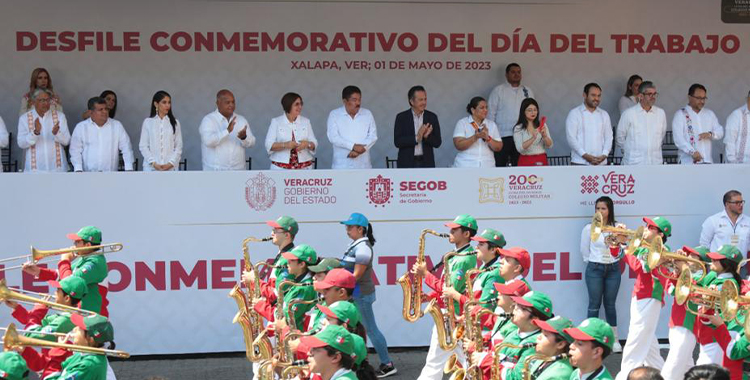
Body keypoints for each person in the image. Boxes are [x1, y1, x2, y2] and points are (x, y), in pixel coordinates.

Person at [412, 214, 478, 380]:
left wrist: (425, 274)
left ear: (466, 234)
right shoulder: (455, 255)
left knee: (465, 360)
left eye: (455, 230)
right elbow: (445, 286)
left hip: (456, 316)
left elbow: (451, 290)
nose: (450, 232)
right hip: (448, 315)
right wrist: (429, 296)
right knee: (438, 360)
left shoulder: (465, 259)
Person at [338, 213, 396, 377]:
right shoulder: (357, 244)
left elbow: (355, 275)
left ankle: (387, 364)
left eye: (350, 227)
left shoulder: (363, 248)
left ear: (360, 229)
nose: (347, 230)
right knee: (362, 330)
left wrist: (338, 282)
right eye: (346, 226)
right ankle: (360, 363)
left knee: (370, 330)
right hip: (357, 294)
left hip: (360, 295)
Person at [617, 217, 672, 380]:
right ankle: (664, 375)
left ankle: (625, 375)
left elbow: (640, 267)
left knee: (636, 338)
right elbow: (623, 257)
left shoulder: (662, 248)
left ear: (660, 234)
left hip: (650, 295)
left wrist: (623, 245)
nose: (645, 228)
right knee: (648, 343)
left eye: (650, 227)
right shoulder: (644, 245)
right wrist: (619, 244)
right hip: (640, 294)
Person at [5, 276, 87, 379]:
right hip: (50, 366)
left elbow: (32, 334)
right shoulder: (64, 316)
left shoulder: (67, 320)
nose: (54, 293)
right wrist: (16, 307)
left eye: (58, 291)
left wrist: (39, 309)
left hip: (59, 373)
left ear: (67, 298)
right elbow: (33, 322)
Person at [22, 226, 110, 317]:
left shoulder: (95, 263)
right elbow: (61, 274)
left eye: (77, 242)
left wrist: (65, 259)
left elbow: (69, 283)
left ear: (87, 245)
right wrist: (38, 272)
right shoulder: (85, 258)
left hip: (93, 318)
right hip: (82, 315)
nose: (74, 244)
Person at [580, 196, 624, 352]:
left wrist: (619, 239)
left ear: (609, 210)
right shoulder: (588, 228)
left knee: (610, 305)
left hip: (613, 269)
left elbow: (622, 251)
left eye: (603, 208)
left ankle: (615, 340)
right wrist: (595, 261)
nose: (600, 211)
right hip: (595, 269)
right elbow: (584, 250)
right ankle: (590, 338)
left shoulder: (618, 227)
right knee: (594, 304)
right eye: (597, 208)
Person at [661, 246, 713, 380]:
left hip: (687, 324)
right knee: (686, 367)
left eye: (692, 256)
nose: (687, 257)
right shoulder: (687, 273)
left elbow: (691, 293)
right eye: (688, 254)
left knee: (673, 365)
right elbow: (671, 289)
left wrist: (683, 268)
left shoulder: (703, 278)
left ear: (700, 262)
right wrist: (678, 269)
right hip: (676, 322)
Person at [487, 63, 535, 167]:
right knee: (500, 165)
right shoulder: (498, 90)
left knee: (519, 166)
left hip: (522, 136)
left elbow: (533, 113)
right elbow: (490, 114)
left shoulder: (527, 91)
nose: (516, 74)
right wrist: (492, 136)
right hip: (502, 136)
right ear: (506, 74)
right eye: (513, 72)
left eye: (518, 72)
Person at [70, 97, 135, 172]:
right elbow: (75, 150)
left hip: (111, 175)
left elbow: (126, 148)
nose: (105, 112)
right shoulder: (81, 127)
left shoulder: (117, 126)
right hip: (87, 175)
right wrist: (78, 169)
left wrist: (129, 168)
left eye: (106, 109)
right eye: (100, 110)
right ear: (91, 113)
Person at [45, 314, 115, 380]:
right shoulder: (83, 353)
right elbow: (63, 368)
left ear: (90, 339)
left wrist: (57, 353)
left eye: (79, 328)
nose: (74, 329)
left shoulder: (88, 365)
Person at [199, 89, 255, 171]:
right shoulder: (208, 120)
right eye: (227, 102)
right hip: (215, 172)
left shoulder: (241, 120)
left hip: (238, 171)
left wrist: (244, 138)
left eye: (233, 102)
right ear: (218, 103)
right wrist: (227, 131)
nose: (231, 105)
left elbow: (252, 143)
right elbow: (208, 141)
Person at [16, 88, 70, 172]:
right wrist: (35, 133)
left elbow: (66, 141)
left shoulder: (60, 116)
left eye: (47, 100)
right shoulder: (24, 118)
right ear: (34, 102)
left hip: (57, 169)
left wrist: (57, 133)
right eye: (41, 100)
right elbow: (21, 143)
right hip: (34, 170)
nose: (45, 103)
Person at [506, 316, 574, 380]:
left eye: (545, 335)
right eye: (541, 332)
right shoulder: (544, 356)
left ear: (560, 344)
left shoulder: (560, 374)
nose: (538, 337)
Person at [616, 81, 667, 165]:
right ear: (640, 96)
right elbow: (620, 137)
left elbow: (661, 136)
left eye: (654, 94)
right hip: (633, 163)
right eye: (649, 94)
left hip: (655, 163)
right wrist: (630, 153)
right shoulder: (629, 113)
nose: (653, 97)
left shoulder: (660, 113)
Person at [327, 86, 377, 169]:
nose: (358, 103)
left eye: (359, 99)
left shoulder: (367, 114)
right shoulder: (334, 114)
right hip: (342, 164)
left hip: (363, 164)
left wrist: (361, 149)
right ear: (345, 101)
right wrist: (353, 146)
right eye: (354, 100)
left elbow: (373, 136)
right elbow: (333, 137)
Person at [671, 84, 724, 164]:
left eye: (704, 98)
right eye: (699, 98)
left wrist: (710, 134)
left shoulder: (709, 114)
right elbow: (678, 139)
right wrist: (692, 152)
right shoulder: (680, 115)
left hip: (707, 162)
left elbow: (720, 131)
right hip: (687, 163)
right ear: (689, 97)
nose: (702, 101)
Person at [393, 85, 442, 168]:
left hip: (426, 163)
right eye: (420, 100)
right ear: (411, 101)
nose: (424, 102)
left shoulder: (432, 117)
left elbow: (438, 143)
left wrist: (426, 136)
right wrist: (417, 137)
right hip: (406, 163)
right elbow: (397, 142)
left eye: (425, 99)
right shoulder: (401, 117)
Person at [265, 92, 317, 170]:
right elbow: (268, 145)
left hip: (304, 167)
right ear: (288, 105)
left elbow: (314, 143)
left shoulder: (306, 121)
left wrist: (307, 144)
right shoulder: (276, 122)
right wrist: (285, 145)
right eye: (297, 104)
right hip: (280, 167)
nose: (300, 107)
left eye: (301, 104)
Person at [566, 83, 613, 165]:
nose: (596, 98)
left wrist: (604, 155)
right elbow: (571, 138)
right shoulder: (574, 113)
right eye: (593, 95)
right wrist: (585, 155)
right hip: (580, 162)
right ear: (584, 95)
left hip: (601, 163)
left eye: (599, 96)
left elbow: (609, 137)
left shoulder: (604, 114)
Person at [452, 96, 503, 167]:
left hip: (487, 165)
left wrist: (488, 138)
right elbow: (458, 145)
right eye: (482, 108)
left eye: (486, 107)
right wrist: (475, 137)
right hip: (466, 165)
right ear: (473, 110)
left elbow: (498, 147)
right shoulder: (462, 123)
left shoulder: (492, 125)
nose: (485, 110)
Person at [139, 90, 183, 171]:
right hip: (151, 168)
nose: (167, 105)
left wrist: (170, 164)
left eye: (169, 102)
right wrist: (153, 163)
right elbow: (143, 146)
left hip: (170, 168)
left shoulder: (175, 123)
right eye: (164, 102)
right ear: (156, 104)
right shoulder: (148, 122)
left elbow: (178, 147)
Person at [700, 190, 749, 256]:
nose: (741, 205)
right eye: (737, 202)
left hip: (741, 265)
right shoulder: (713, 221)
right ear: (727, 204)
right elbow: (704, 245)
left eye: (742, 202)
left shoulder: (748, 221)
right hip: (718, 265)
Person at [514, 98, 553, 166]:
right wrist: (533, 138)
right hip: (526, 160)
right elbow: (520, 149)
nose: (533, 112)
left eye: (535, 110)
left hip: (541, 159)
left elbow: (550, 145)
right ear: (523, 111)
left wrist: (545, 137)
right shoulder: (518, 128)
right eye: (530, 110)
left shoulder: (542, 125)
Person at [723, 91, 750, 164]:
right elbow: (729, 142)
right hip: (738, 166)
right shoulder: (736, 115)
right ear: (748, 99)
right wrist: (734, 165)